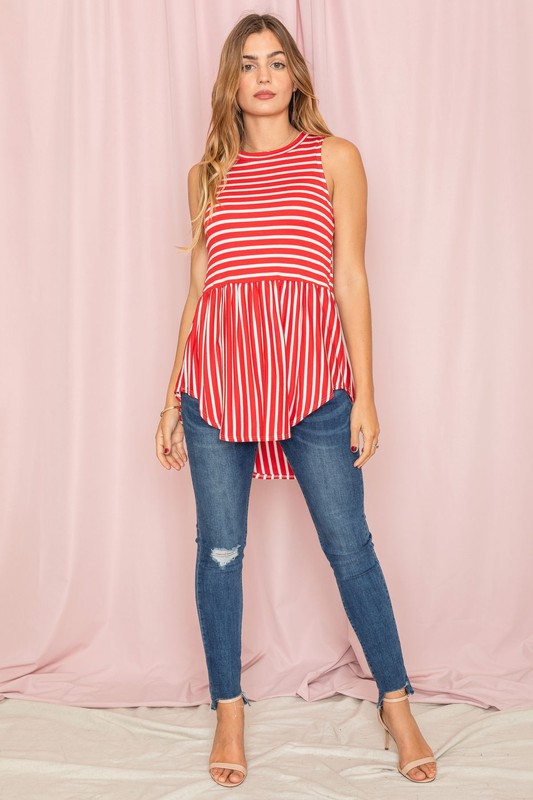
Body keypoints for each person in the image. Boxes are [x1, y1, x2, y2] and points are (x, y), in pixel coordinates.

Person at [155, 12, 437, 789]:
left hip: (314, 384)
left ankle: (396, 700)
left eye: (276, 61)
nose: (264, 76)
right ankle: (229, 709)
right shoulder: (206, 174)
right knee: (219, 550)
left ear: (295, 74)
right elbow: (199, 292)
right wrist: (170, 397)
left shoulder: (335, 158)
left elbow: (349, 278)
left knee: (349, 546)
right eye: (248, 65)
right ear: (231, 83)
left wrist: (366, 397)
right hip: (217, 383)